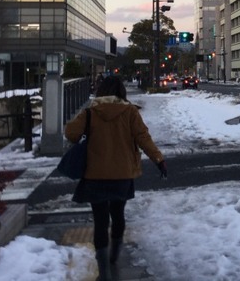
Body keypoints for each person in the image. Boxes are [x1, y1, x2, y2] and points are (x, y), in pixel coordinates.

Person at [64, 75, 167, 281]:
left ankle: (103, 269)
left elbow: (70, 134)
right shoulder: (129, 112)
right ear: (121, 92)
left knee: (100, 221)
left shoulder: (91, 113)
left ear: (101, 92)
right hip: (122, 174)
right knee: (118, 214)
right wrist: (158, 159)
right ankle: (114, 255)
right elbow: (143, 138)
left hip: (95, 175)